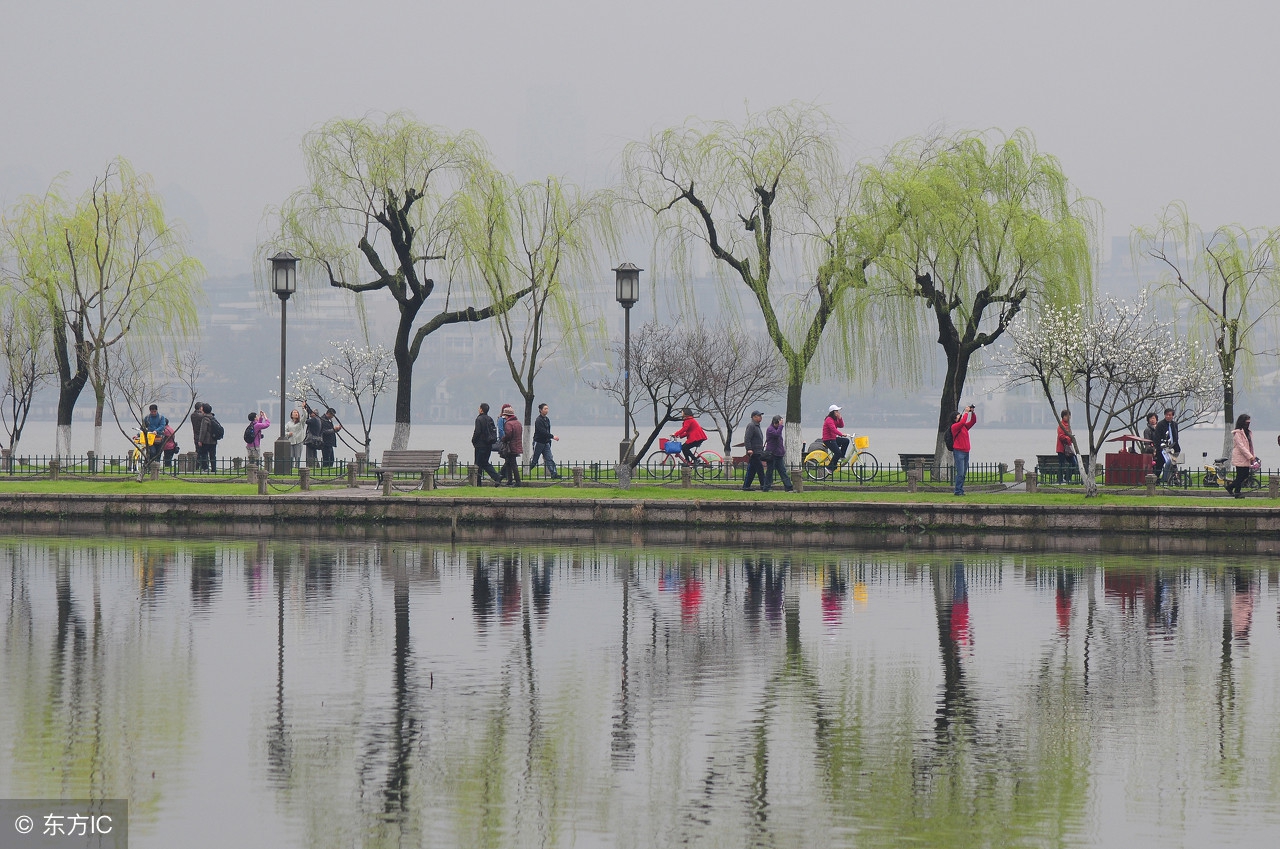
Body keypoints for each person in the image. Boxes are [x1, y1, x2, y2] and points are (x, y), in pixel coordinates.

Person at [1225, 413, 1257, 498]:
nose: (1248, 424)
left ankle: (1230, 487)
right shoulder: (1237, 433)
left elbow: (1250, 446)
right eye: (1247, 422)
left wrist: (1252, 456)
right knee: (1240, 476)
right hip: (1240, 457)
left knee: (1245, 475)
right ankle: (1237, 493)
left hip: (1246, 458)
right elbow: (1241, 447)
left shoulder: (1248, 433)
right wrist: (1250, 456)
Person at [470, 402, 502, 485]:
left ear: (481, 410)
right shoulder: (490, 419)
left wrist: (473, 440)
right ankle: (494, 477)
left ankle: (479, 481)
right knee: (484, 462)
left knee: (478, 464)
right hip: (489, 444)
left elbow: (477, 431)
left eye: (479, 408)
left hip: (480, 445)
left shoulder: (479, 419)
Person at [529, 403, 561, 479]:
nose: (547, 410)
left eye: (547, 409)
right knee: (535, 460)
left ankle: (554, 474)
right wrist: (552, 436)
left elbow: (547, 430)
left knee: (549, 458)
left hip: (546, 442)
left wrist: (549, 440)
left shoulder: (547, 419)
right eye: (545, 409)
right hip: (539, 442)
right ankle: (526, 470)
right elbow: (542, 431)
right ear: (540, 410)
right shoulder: (538, 420)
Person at [763, 414, 794, 492]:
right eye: (777, 423)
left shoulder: (777, 429)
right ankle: (767, 487)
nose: (778, 425)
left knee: (782, 471)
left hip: (779, 454)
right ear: (774, 422)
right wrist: (780, 426)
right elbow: (777, 434)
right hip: (772, 454)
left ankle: (788, 486)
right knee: (770, 471)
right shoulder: (770, 429)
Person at [950, 404, 976, 496]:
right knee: (960, 472)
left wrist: (972, 412)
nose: (960, 416)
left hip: (966, 451)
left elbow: (973, 421)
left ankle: (960, 490)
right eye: (958, 416)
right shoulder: (955, 427)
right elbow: (962, 421)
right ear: (955, 419)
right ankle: (957, 491)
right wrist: (965, 412)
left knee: (964, 473)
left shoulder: (964, 426)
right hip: (959, 452)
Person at [498, 403, 523, 486]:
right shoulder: (518, 423)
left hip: (510, 447)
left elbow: (508, 435)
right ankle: (509, 480)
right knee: (509, 463)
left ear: (507, 415)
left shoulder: (509, 424)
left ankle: (517, 482)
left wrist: (503, 439)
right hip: (517, 446)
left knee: (513, 464)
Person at [741, 410, 766, 491]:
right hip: (754, 452)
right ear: (754, 417)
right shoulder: (751, 425)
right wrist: (749, 449)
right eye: (759, 416)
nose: (761, 417)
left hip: (758, 451)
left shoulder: (757, 426)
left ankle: (746, 486)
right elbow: (747, 438)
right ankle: (764, 485)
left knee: (752, 470)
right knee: (760, 469)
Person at [1154, 408, 1180, 480]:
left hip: (1173, 448)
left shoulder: (1174, 424)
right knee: (1160, 464)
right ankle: (1159, 479)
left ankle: (1172, 478)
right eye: (1167, 415)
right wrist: (1159, 447)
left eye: (1170, 415)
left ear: (1172, 416)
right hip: (1163, 449)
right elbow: (1157, 438)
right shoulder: (1160, 424)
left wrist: (1176, 447)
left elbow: (1176, 437)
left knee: (1173, 464)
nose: (1168, 416)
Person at [822, 404, 849, 472]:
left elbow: (841, 425)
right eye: (836, 411)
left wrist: (840, 418)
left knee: (846, 441)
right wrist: (842, 434)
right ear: (833, 412)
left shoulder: (834, 419)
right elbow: (833, 429)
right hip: (828, 440)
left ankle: (841, 456)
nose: (838, 412)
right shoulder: (829, 420)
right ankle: (830, 468)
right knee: (837, 453)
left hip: (833, 438)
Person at [197, 404, 223, 472]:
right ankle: (214, 469)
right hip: (213, 440)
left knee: (204, 455)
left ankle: (205, 468)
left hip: (206, 441)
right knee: (213, 455)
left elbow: (203, 430)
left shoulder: (205, 418)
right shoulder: (212, 417)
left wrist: (200, 440)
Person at [1055, 410, 1078, 484]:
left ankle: (1067, 478)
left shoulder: (1068, 426)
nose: (1069, 417)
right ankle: (1060, 479)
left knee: (1074, 463)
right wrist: (1069, 438)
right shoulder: (1061, 426)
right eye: (1068, 416)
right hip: (1062, 448)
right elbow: (1061, 437)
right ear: (1064, 416)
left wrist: (1070, 438)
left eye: (1070, 415)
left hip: (1068, 449)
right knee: (1062, 464)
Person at [190, 403, 206, 470]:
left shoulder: (193, 415)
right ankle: (201, 466)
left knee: (198, 451)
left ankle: (196, 466)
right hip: (201, 436)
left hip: (195, 436)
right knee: (202, 452)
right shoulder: (201, 416)